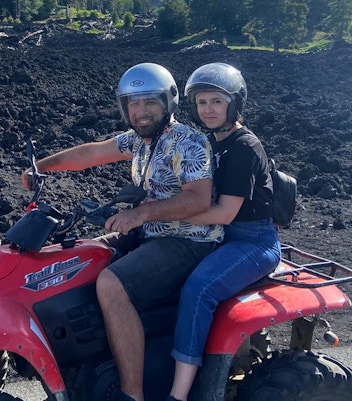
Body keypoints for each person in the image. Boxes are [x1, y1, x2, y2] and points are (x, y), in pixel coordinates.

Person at [20, 63, 223, 401]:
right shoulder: (139, 139)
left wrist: (139, 214)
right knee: (80, 257)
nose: (141, 112)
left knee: (111, 284)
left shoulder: (187, 141)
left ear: (167, 102)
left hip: (188, 240)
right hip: (153, 232)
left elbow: (198, 199)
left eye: (149, 102)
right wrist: (42, 166)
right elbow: (94, 152)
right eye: (133, 103)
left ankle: (132, 394)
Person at [166, 63, 281, 401]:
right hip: (222, 235)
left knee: (198, 290)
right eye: (202, 102)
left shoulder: (243, 147)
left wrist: (167, 218)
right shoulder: (213, 141)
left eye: (217, 101)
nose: (208, 110)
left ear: (234, 105)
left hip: (251, 240)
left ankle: (181, 393)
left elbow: (225, 213)